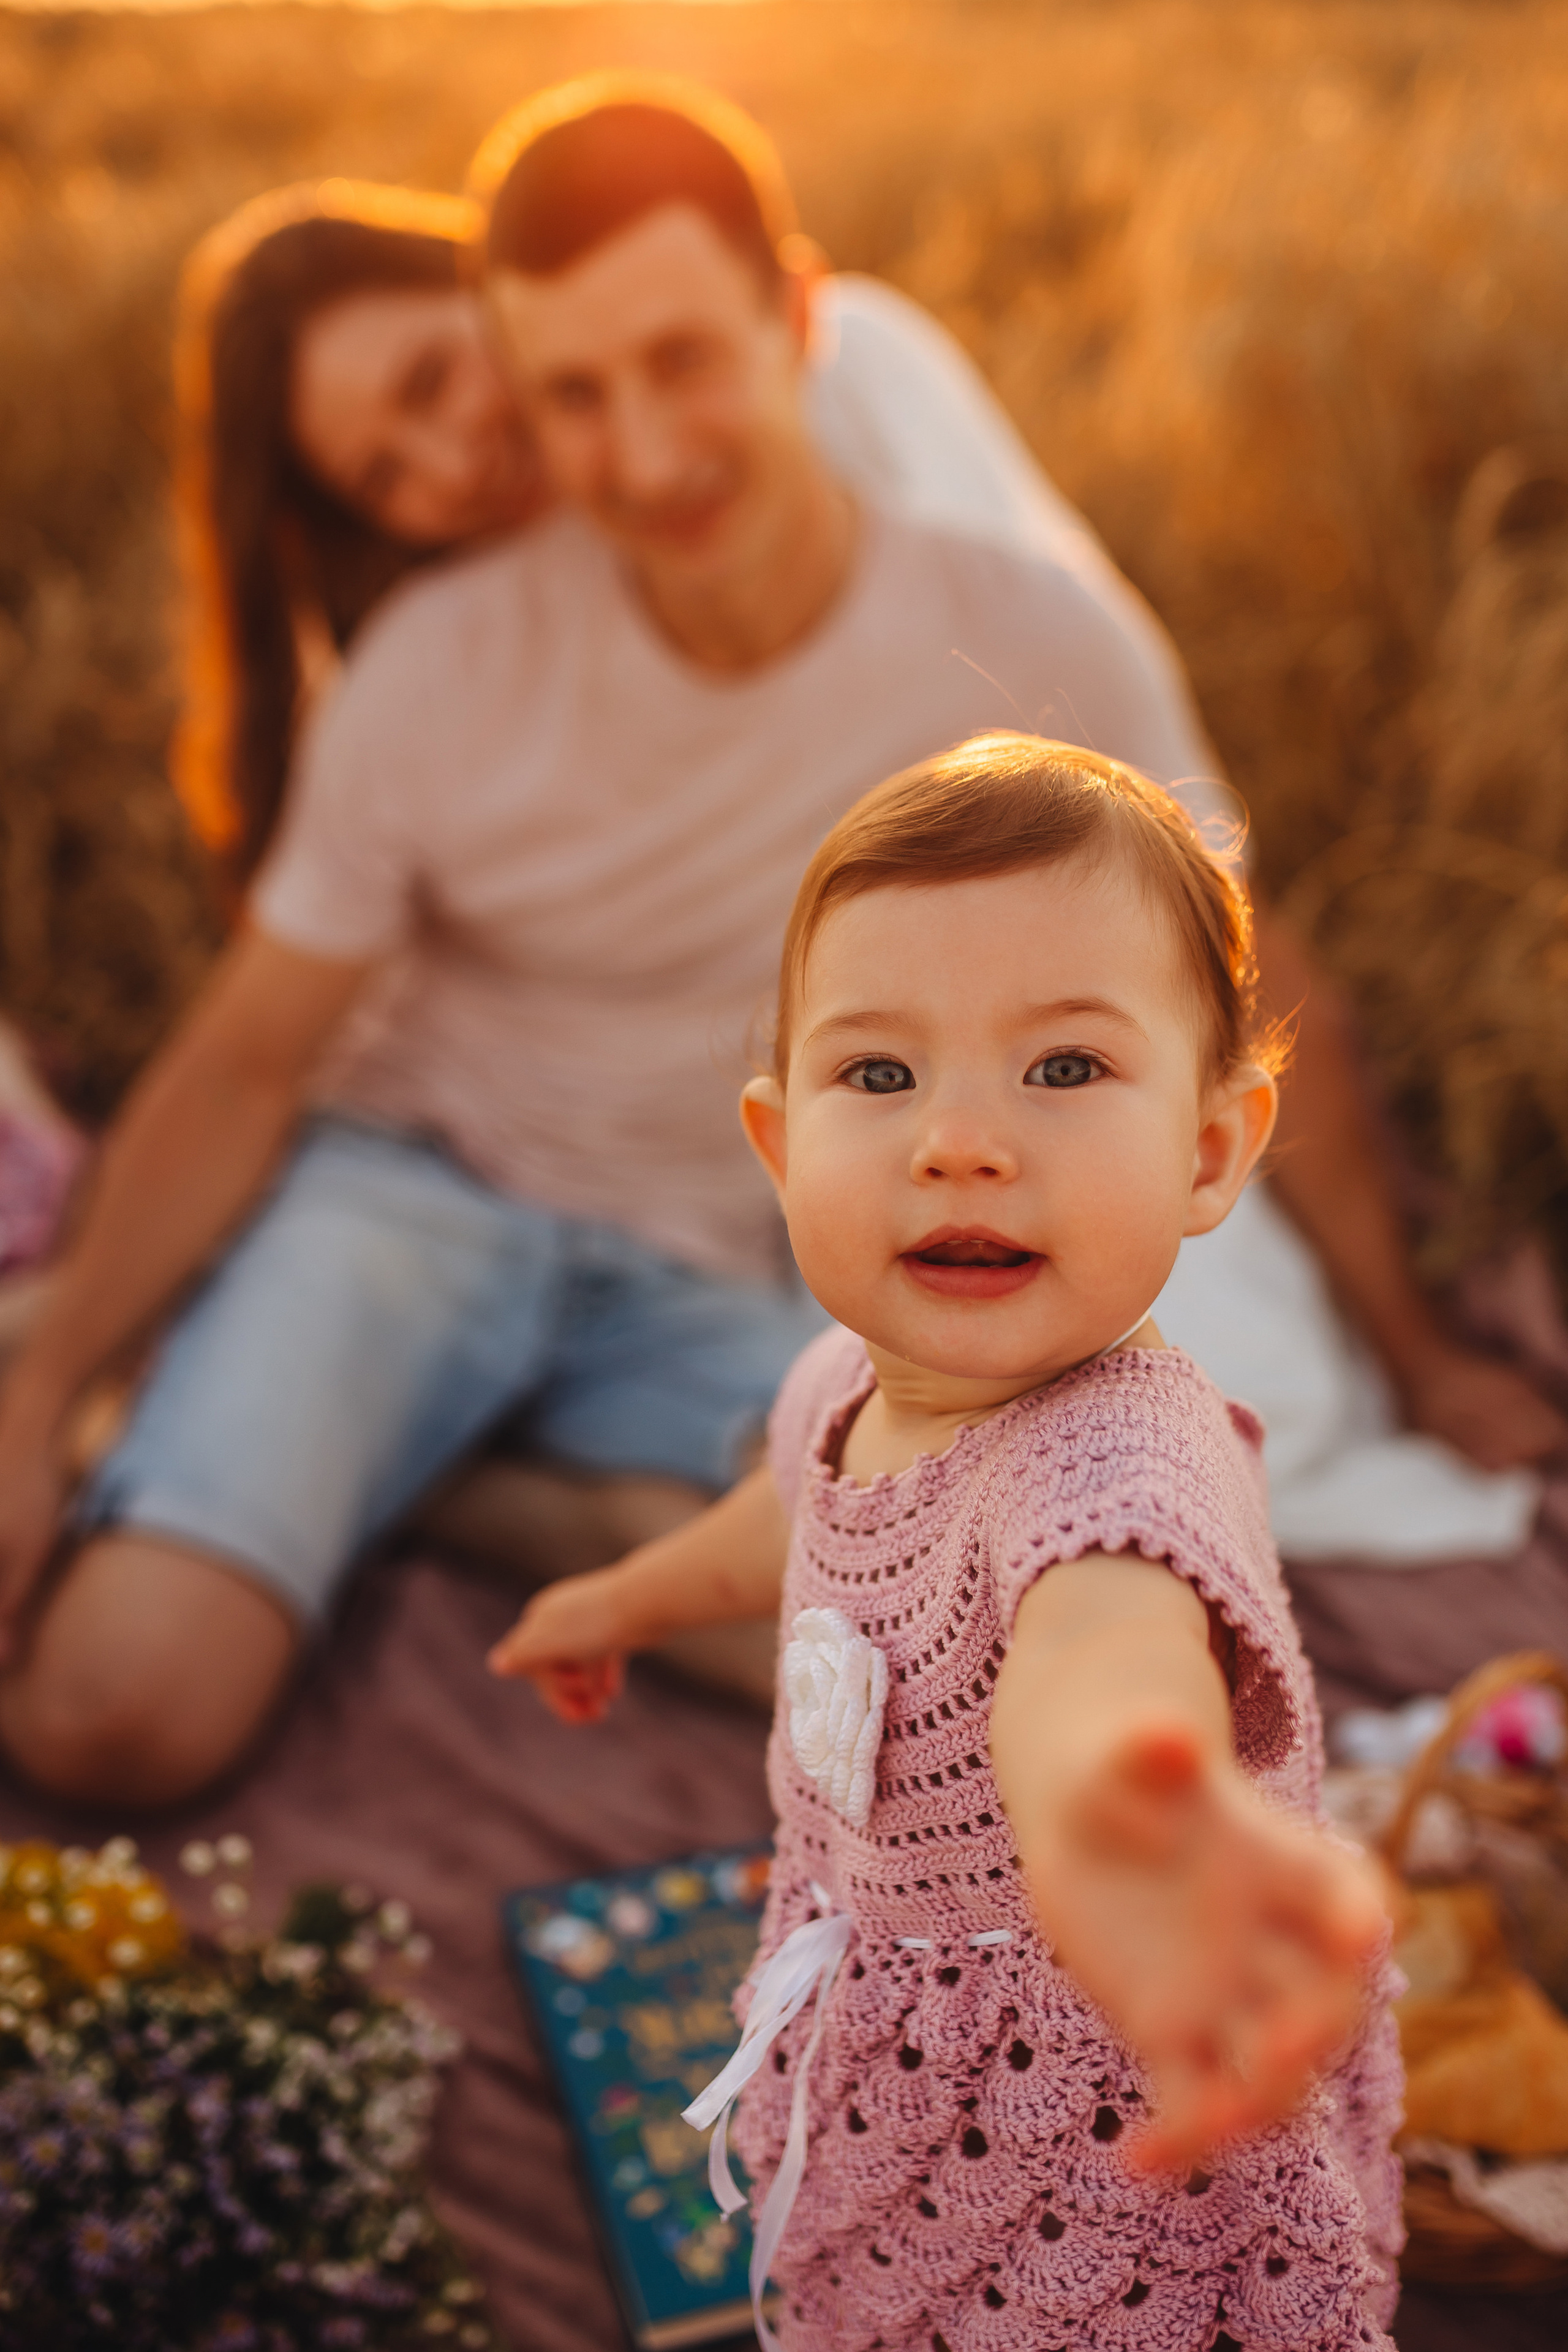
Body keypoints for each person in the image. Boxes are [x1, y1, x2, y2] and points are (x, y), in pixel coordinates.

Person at [0, 75, 1553, 1812]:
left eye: (682, 364)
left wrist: (1416, 1358)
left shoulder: (1017, 637)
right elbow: (246, 1055)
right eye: (573, 396)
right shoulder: (437, 667)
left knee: (999, 1696)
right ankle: (364, 1413)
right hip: (425, 1200)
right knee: (109, 1720)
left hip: (734, 1269)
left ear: (800, 323)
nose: (644, 453)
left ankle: (473, 1485)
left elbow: (1251, 978)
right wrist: (40, 1395)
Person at [490, 733, 1401, 2352]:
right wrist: (626, 1596)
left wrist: (1140, 1807)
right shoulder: (851, 1379)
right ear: (781, 1147)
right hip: (889, 2035)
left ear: (1210, 1150)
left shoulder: (1110, 1459)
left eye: (1062, 1070)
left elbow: (1099, 1655)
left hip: (1099, 2120)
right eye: (881, 1074)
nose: (958, 1141)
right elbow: (787, 1516)